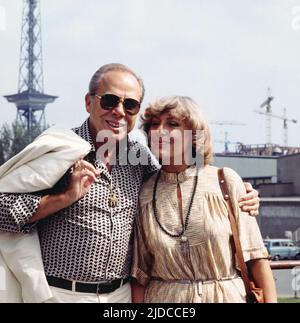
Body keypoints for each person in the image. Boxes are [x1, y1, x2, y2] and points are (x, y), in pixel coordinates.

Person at [0, 64, 260, 303]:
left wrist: (239, 192)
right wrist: (63, 198)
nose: (119, 112)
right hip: (64, 294)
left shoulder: (139, 157)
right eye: (110, 100)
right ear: (89, 102)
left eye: (131, 105)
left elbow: (174, 183)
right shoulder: (60, 151)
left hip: (121, 296)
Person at [131, 96, 277, 303]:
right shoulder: (145, 192)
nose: (159, 130)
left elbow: (256, 258)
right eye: (154, 124)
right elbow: (140, 275)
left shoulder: (225, 181)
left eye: (172, 124)